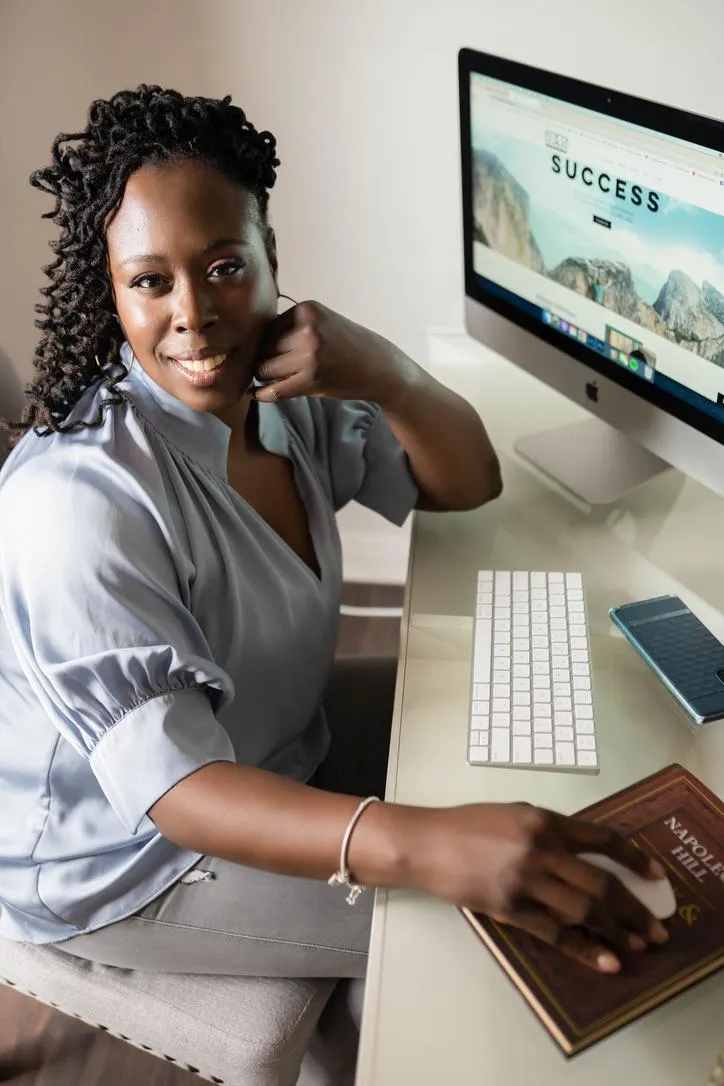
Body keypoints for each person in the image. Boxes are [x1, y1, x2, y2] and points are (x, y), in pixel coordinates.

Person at [0, 86, 668, 985]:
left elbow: (467, 483)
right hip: (133, 859)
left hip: (272, 742)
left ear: (270, 257)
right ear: (112, 293)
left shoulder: (277, 390)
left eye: (224, 266)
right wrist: (423, 844)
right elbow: (175, 788)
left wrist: (390, 374)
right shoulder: (80, 501)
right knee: (497, 945)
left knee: (544, 758)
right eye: (151, 281)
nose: (193, 313)